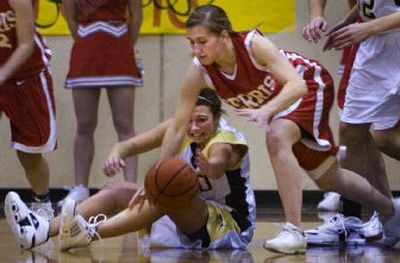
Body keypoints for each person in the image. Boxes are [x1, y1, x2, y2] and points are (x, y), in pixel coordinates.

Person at [155, 4, 400, 254]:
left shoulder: (252, 44)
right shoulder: (199, 70)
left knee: (276, 135)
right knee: (330, 178)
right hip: (283, 106)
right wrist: (158, 173)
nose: (196, 49)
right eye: (191, 42)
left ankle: (293, 230)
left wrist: (267, 110)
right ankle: (392, 210)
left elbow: (297, 85)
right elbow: (177, 127)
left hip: (310, 85)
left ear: (224, 36)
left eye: (202, 41)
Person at [4, 88, 256, 251]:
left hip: (230, 223)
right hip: (191, 211)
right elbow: (132, 144)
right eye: (188, 120)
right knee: (115, 189)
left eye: (201, 120)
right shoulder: (181, 128)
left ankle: (88, 232)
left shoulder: (224, 140)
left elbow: (219, 163)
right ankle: (41, 230)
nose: (194, 128)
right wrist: (117, 152)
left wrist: (209, 167)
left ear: (217, 116)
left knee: (165, 195)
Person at [304, 1, 400, 217]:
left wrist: (367, 26)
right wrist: (348, 19)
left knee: (384, 138)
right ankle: (375, 217)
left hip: (380, 31)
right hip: (374, 43)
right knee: (352, 131)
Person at [58, 0, 144, 206]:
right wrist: (88, 40)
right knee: (85, 125)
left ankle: (130, 188)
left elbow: (136, 17)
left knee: (125, 125)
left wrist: (124, 47)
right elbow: (70, 18)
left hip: (120, 51)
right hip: (85, 53)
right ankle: (81, 188)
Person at [0, 0, 56, 219]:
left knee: (29, 154)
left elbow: (26, 45)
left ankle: (42, 203)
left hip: (26, 76)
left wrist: (2, 75)